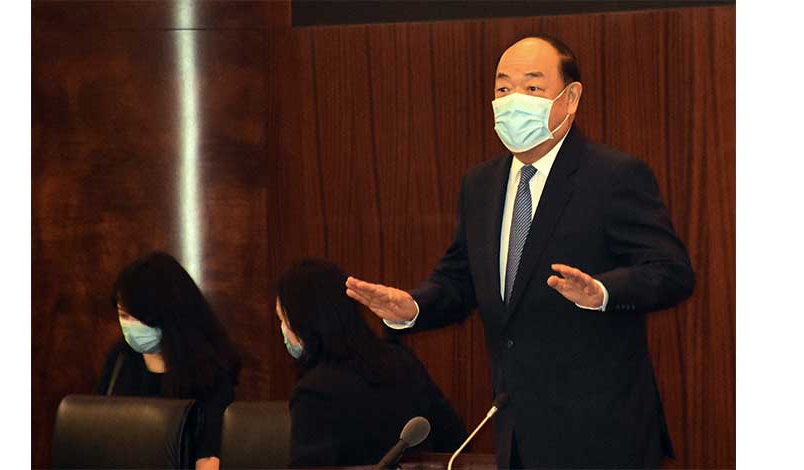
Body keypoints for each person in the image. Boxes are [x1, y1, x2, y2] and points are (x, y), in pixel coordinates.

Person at [345, 35, 694, 469]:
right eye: (503, 87)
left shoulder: (613, 176)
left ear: (571, 98)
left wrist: (602, 292)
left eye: (532, 87)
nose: (514, 101)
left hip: (602, 435)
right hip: (517, 434)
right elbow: (460, 279)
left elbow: (671, 270)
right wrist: (413, 307)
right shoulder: (481, 184)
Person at [275, 258, 468, 467]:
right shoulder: (402, 361)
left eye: (284, 320)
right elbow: (456, 444)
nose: (283, 331)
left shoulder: (313, 393)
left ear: (304, 323)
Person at [95, 251, 242, 470]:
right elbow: (97, 432)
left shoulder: (210, 371)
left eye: (139, 317)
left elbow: (210, 455)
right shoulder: (120, 360)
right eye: (123, 315)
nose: (130, 326)